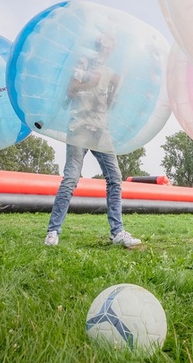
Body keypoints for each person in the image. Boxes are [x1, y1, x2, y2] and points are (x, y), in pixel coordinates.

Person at [44, 34, 140, 248]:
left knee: (115, 178)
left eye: (112, 46)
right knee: (71, 178)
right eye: (106, 43)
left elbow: (109, 105)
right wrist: (90, 82)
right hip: (79, 127)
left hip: (101, 129)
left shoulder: (109, 71)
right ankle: (53, 232)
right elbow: (69, 92)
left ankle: (117, 232)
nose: (108, 48)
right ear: (99, 44)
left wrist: (118, 85)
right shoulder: (83, 62)